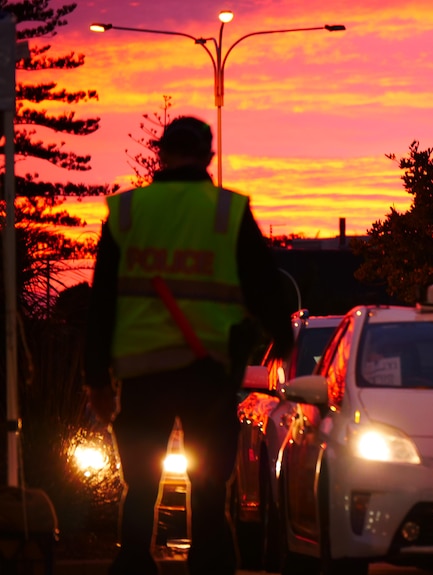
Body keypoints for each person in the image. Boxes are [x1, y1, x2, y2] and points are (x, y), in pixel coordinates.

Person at [84, 116, 295, 575]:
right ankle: (211, 564)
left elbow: (101, 301)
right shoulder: (227, 212)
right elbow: (263, 283)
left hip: (142, 373)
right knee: (208, 484)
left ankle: (134, 563)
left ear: (161, 153)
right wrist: (282, 335)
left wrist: (96, 377)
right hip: (209, 372)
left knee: (140, 483)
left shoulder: (127, 212)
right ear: (209, 157)